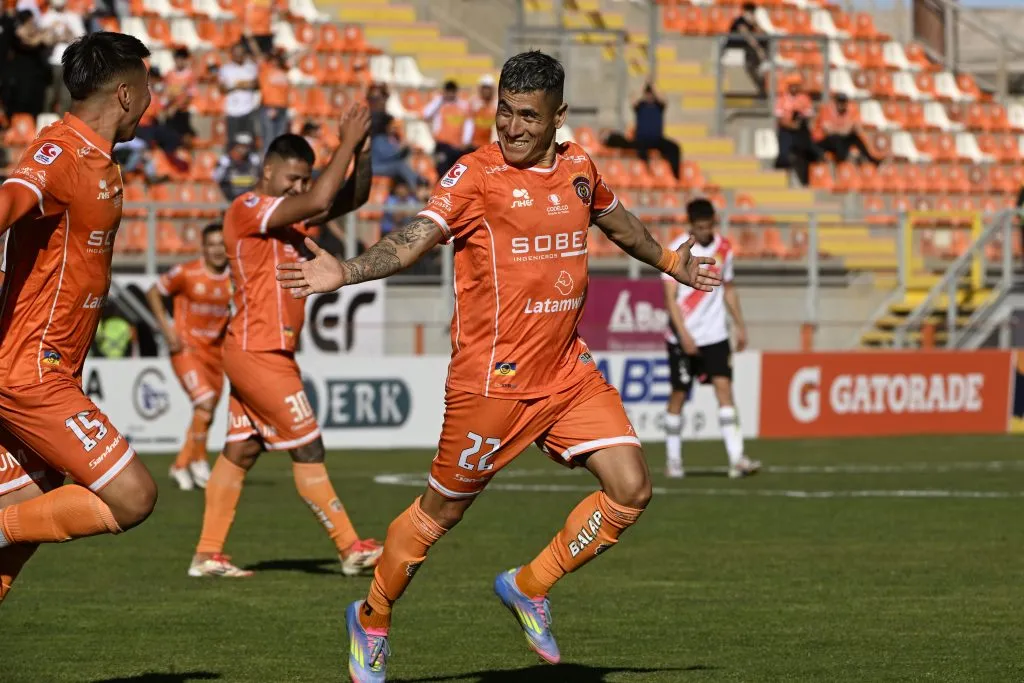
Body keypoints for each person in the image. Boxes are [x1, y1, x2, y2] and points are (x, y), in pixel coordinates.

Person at [276, 50, 722, 681]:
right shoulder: (475, 176)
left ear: (558, 118)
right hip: (493, 383)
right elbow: (415, 239)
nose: (511, 128)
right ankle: (371, 618)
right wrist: (345, 272)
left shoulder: (579, 169)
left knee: (632, 490)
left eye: (528, 118)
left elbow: (619, 225)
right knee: (442, 513)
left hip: (567, 372)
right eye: (504, 113)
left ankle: (529, 584)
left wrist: (672, 264)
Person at [187, 106, 383, 579]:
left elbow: (350, 198)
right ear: (268, 170)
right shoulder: (248, 208)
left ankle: (206, 555)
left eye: (304, 179)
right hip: (260, 352)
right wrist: (341, 146)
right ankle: (350, 546)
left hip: (261, 349)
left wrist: (362, 150)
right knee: (309, 447)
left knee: (242, 451)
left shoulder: (286, 220)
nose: (299, 187)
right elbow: (318, 200)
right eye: (293, 178)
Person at [0, 31, 156, 605]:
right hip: (31, 375)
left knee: (16, 538)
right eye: (148, 87)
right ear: (124, 94)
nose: (151, 101)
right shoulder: (60, 152)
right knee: (133, 496)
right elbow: (12, 198)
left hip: (48, 371)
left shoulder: (98, 157)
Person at [662, 199, 760, 480]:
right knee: (679, 395)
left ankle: (737, 458)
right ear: (691, 224)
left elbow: (728, 289)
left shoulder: (724, 248)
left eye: (709, 226)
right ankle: (673, 459)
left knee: (724, 390)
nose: (706, 232)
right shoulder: (678, 249)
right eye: (701, 227)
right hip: (684, 336)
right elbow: (669, 297)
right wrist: (684, 335)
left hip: (715, 333)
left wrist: (740, 326)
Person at [146, 224, 230, 492]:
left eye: (222, 244)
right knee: (204, 403)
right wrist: (166, 327)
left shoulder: (236, 278)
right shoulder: (187, 272)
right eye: (212, 244)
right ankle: (200, 461)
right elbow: (153, 292)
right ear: (203, 248)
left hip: (216, 353)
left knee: (205, 412)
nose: (217, 249)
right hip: (186, 349)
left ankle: (181, 465)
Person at [38, 0, 85, 114]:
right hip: (50, 63)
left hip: (68, 63)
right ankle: (46, 127)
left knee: (66, 98)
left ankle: (63, 128)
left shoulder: (73, 17)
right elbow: (41, 39)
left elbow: (82, 40)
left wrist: (69, 35)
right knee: (49, 97)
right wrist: (53, 36)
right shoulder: (45, 18)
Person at [774, 73, 820, 186]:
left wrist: (799, 119)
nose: (794, 87)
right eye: (792, 85)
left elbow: (809, 115)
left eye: (796, 85)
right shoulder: (781, 99)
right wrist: (791, 124)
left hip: (800, 131)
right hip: (786, 130)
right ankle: (782, 180)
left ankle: (807, 180)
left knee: (810, 152)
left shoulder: (804, 99)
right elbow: (780, 119)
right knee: (783, 155)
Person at [815, 93, 880, 166]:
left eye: (843, 102)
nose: (842, 104)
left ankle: (871, 159)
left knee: (854, 138)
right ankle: (842, 163)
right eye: (839, 101)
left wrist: (840, 129)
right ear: (836, 102)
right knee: (836, 139)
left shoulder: (849, 111)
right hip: (825, 141)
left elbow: (856, 128)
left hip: (840, 139)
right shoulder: (827, 110)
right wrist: (843, 130)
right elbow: (828, 131)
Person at [633, 82, 681, 179]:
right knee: (641, 152)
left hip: (657, 139)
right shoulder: (640, 106)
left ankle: (675, 176)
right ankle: (647, 175)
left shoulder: (658, 106)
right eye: (648, 93)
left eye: (651, 93)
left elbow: (664, 99)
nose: (649, 95)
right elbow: (634, 99)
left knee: (674, 148)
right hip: (642, 140)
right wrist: (644, 85)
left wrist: (654, 86)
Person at [422, 79, 468, 176]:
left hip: (457, 147)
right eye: (448, 91)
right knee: (442, 172)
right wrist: (441, 100)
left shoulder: (462, 105)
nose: (450, 94)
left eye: (452, 91)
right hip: (442, 145)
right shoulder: (439, 104)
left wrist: (465, 141)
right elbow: (426, 114)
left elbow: (468, 124)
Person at [218, 42, 260, 143]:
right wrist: (238, 85)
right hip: (232, 110)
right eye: (236, 54)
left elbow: (256, 85)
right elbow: (222, 89)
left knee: (249, 141)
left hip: (248, 109)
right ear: (232, 54)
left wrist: (242, 85)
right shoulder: (225, 69)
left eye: (241, 54)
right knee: (233, 142)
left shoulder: (252, 67)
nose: (239, 56)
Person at [725, 2, 768, 97]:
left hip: (747, 52)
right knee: (752, 60)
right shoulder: (739, 21)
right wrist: (759, 50)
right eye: (751, 12)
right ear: (745, 12)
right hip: (734, 50)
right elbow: (747, 36)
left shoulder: (752, 23)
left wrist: (756, 24)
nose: (752, 14)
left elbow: (763, 33)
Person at [214, 132, 261, 201]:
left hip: (249, 196)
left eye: (246, 146)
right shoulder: (225, 160)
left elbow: (259, 178)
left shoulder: (254, 160)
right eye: (240, 146)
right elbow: (216, 178)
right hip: (230, 196)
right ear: (235, 146)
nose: (243, 149)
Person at [462, 74, 496, 151]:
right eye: (484, 88)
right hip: (475, 145)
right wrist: (466, 141)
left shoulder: (496, 105)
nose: (486, 91)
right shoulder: (474, 103)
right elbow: (468, 123)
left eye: (488, 88)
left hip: (490, 146)